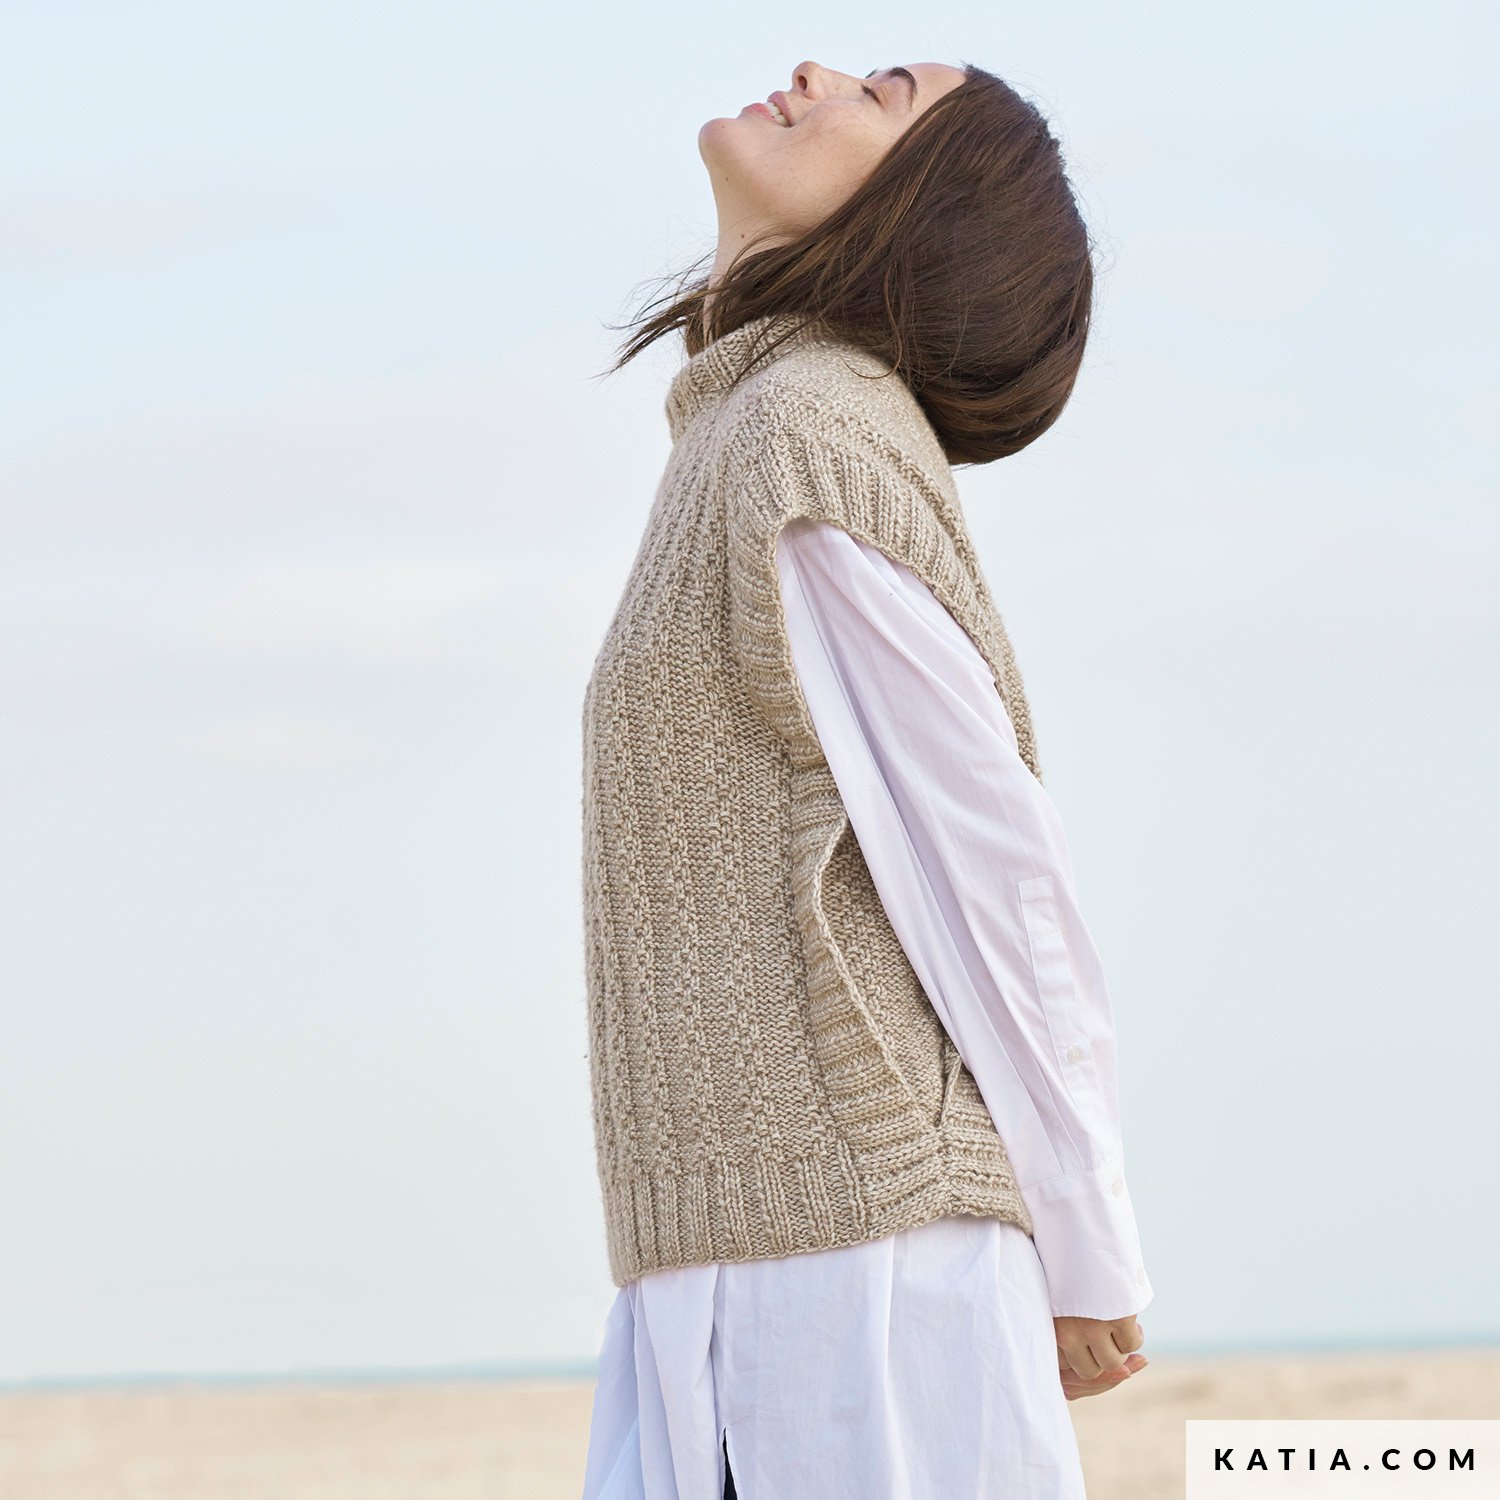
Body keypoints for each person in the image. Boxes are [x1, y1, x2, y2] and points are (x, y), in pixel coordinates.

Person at [579, 59, 1151, 1499]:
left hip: (863, 1288)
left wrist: (1085, 1236)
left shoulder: (806, 433)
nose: (812, 74)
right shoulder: (739, 429)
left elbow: (992, 854)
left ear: (920, 205)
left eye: (880, 92)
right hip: (722, 1262)